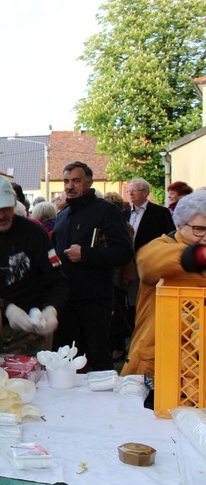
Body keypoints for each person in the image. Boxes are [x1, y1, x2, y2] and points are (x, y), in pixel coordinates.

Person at [0, 174, 68, 355]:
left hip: (33, 326)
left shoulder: (34, 232)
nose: (1, 215)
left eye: (6, 208)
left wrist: (52, 308)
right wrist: (5, 307)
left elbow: (57, 279)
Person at [52, 161, 134, 371]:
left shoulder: (106, 211)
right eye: (66, 181)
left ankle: (105, 402)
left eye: (76, 181)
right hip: (65, 300)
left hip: (94, 300)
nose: (70, 186)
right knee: (64, 360)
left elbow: (124, 252)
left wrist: (86, 254)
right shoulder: (62, 216)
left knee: (98, 359)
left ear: (89, 183)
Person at [122, 190, 206, 378]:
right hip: (156, 365)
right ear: (179, 225)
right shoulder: (162, 246)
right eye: (200, 229)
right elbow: (149, 261)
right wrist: (198, 256)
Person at [127, 178, 175, 252]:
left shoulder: (161, 212)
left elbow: (168, 236)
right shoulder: (124, 213)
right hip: (127, 259)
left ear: (145, 193)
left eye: (133, 191)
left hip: (150, 256)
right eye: (129, 191)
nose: (130, 193)